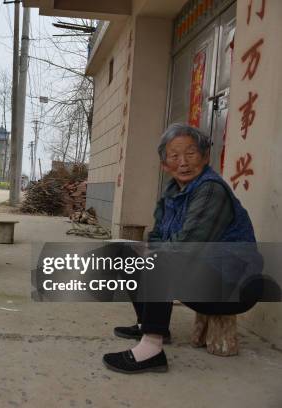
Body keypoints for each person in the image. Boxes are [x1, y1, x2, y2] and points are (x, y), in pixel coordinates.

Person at [103, 123, 260, 374]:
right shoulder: (173, 192)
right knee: (127, 254)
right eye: (174, 156)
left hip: (234, 285)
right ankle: (151, 325)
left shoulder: (211, 190)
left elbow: (187, 245)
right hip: (205, 275)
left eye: (191, 153)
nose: (183, 162)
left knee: (163, 257)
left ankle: (151, 350)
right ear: (165, 165)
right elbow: (157, 235)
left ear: (205, 157)